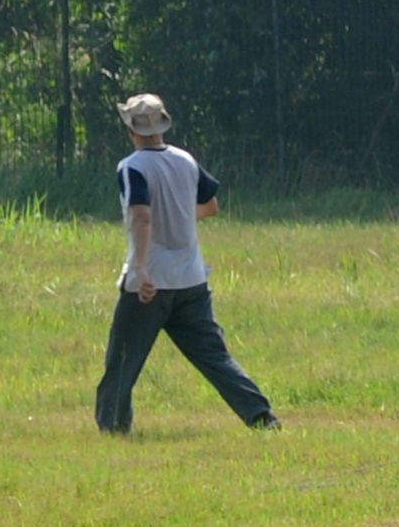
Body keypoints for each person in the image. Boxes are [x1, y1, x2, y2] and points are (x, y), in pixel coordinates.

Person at [99, 93, 275, 434]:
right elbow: (210, 206)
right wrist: (179, 213)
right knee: (215, 357)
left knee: (122, 361)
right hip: (192, 280)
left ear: (131, 131)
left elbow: (141, 217)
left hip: (151, 284)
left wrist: (141, 268)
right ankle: (260, 416)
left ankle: (113, 429)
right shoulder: (185, 160)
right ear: (162, 126)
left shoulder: (132, 167)